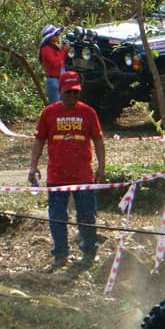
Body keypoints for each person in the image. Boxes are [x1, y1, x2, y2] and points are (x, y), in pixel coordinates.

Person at [29, 70, 106, 272]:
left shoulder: (88, 113)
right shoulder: (49, 113)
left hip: (83, 175)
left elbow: (98, 140)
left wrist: (102, 167)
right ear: (60, 91)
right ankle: (60, 255)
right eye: (68, 92)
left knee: (87, 216)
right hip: (57, 176)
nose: (72, 96)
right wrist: (32, 166)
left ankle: (89, 253)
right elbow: (39, 140)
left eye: (75, 92)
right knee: (56, 216)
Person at [39, 24, 68, 105]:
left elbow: (61, 60)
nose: (58, 35)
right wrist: (64, 51)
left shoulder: (55, 46)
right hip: (53, 80)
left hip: (60, 79)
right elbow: (54, 62)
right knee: (55, 105)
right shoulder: (46, 49)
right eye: (55, 34)